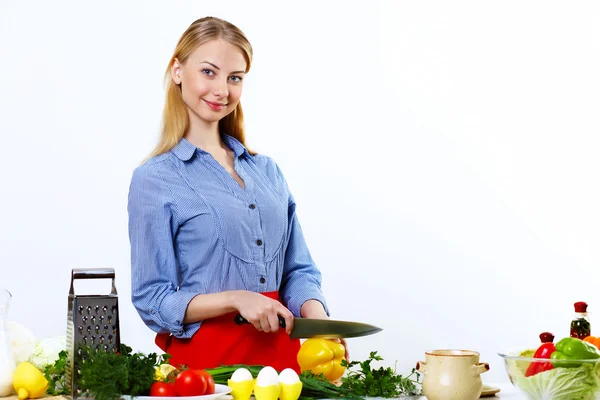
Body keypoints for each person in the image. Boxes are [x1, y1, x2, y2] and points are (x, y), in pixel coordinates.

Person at [127, 16, 345, 373]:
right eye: (208, 72)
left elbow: (299, 270)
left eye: (235, 78)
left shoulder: (267, 171)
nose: (222, 90)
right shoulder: (155, 179)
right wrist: (235, 299)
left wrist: (321, 326)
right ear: (178, 71)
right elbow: (153, 298)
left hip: (285, 369)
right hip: (206, 373)